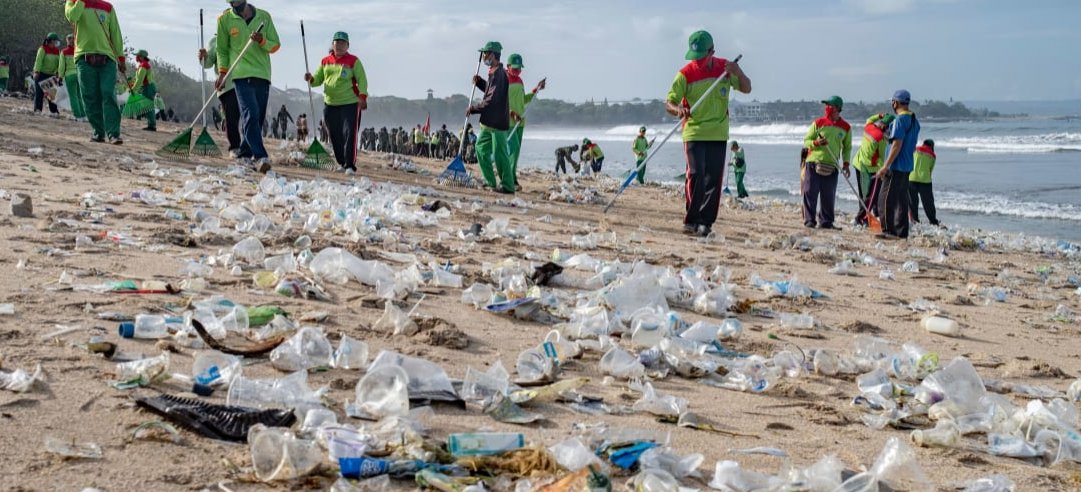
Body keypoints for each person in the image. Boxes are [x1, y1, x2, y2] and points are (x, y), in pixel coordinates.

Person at [665, 30, 751, 237]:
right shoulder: (685, 74)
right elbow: (669, 102)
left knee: (713, 179)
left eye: (702, 57)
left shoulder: (726, 68)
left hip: (718, 132)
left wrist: (738, 72)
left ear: (712, 51)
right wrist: (678, 110)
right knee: (695, 174)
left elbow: (747, 89)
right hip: (693, 130)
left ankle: (706, 222)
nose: (698, 61)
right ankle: (691, 219)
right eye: (695, 57)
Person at [216, 0, 280, 173]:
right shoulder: (224, 20)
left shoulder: (264, 17)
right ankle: (260, 157)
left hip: (262, 74)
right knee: (249, 113)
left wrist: (261, 40)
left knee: (257, 119)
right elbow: (221, 50)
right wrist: (222, 73)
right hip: (240, 74)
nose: (234, 5)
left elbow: (275, 45)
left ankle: (244, 154)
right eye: (231, 2)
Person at [305, 31, 368, 173]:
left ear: (347, 45)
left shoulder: (353, 61)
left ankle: (350, 165)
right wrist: (311, 79)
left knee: (349, 133)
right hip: (330, 104)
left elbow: (362, 80)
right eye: (336, 42)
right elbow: (317, 80)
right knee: (334, 134)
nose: (339, 45)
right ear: (332, 44)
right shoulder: (325, 61)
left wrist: (363, 97)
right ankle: (341, 163)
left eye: (342, 43)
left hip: (350, 103)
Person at [65, 0, 126, 144]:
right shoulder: (72, 3)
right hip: (84, 59)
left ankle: (113, 134)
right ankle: (98, 132)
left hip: (107, 60)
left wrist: (121, 58)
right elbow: (72, 17)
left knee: (108, 93)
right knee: (90, 96)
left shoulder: (108, 7)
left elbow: (115, 34)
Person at [801, 96, 852, 230]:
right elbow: (806, 141)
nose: (827, 108)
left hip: (832, 164)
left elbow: (847, 147)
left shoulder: (846, 127)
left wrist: (846, 164)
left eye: (830, 105)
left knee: (828, 195)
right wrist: (816, 143)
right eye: (827, 105)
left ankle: (826, 222)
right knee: (810, 192)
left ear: (838, 108)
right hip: (814, 161)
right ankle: (809, 220)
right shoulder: (818, 123)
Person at [469, 41, 513, 193]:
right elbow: (489, 90)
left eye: (485, 53)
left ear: (493, 55)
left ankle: (508, 186)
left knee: (500, 155)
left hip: (497, 122)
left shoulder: (500, 74)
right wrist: (480, 82)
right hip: (488, 122)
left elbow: (491, 99)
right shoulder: (493, 72)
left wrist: (474, 109)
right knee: (480, 149)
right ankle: (490, 182)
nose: (483, 57)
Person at [876, 89, 921, 239]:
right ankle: (901, 232)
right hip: (907, 165)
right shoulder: (914, 121)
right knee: (901, 201)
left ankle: (888, 231)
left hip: (896, 166)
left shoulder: (900, 120)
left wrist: (885, 166)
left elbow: (897, 145)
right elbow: (909, 143)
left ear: (895, 102)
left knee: (885, 200)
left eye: (892, 102)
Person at [506, 53, 545, 190]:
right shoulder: (503, 79)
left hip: (520, 122)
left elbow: (523, 100)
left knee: (515, 154)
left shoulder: (520, 81)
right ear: (508, 66)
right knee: (513, 150)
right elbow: (500, 102)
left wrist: (536, 90)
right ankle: (509, 180)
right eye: (515, 68)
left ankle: (512, 179)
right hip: (509, 122)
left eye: (519, 69)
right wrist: (511, 113)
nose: (517, 71)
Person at [200, 36, 241, 156]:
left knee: (249, 116)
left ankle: (249, 148)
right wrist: (203, 57)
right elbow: (207, 64)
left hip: (244, 82)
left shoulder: (241, 35)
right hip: (226, 85)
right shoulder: (215, 41)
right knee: (231, 118)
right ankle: (235, 147)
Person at [851, 113, 894, 226]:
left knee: (863, 195)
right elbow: (881, 158)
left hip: (858, 163)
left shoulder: (869, 126)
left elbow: (869, 119)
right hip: (871, 169)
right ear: (886, 126)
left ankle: (864, 218)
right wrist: (884, 170)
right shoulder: (881, 139)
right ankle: (860, 218)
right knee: (872, 196)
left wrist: (879, 115)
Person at [124, 49, 158, 131]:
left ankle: (152, 125)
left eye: (137, 55)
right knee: (147, 105)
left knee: (148, 106)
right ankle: (151, 124)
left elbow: (139, 80)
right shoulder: (143, 65)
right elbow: (137, 79)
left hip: (148, 87)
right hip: (147, 87)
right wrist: (132, 86)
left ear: (141, 57)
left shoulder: (144, 66)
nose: (136, 57)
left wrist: (133, 89)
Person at [909, 139, 939, 226]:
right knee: (928, 202)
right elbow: (930, 170)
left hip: (911, 177)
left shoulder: (915, 149)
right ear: (932, 146)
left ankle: (915, 219)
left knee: (913, 201)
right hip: (925, 180)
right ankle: (933, 221)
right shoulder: (932, 155)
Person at [57, 34, 85, 121]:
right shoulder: (80, 51)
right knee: (80, 96)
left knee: (73, 96)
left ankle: (77, 115)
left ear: (67, 41)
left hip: (70, 75)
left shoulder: (64, 52)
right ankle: (84, 115)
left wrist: (60, 77)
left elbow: (61, 67)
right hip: (80, 75)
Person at [32, 33, 62, 115]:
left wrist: (58, 73)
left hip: (51, 75)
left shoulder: (57, 51)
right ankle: (37, 110)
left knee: (52, 95)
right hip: (40, 74)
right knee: (39, 93)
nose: (57, 43)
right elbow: (38, 61)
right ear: (51, 41)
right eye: (56, 41)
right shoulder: (42, 49)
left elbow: (59, 64)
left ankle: (54, 111)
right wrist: (36, 72)